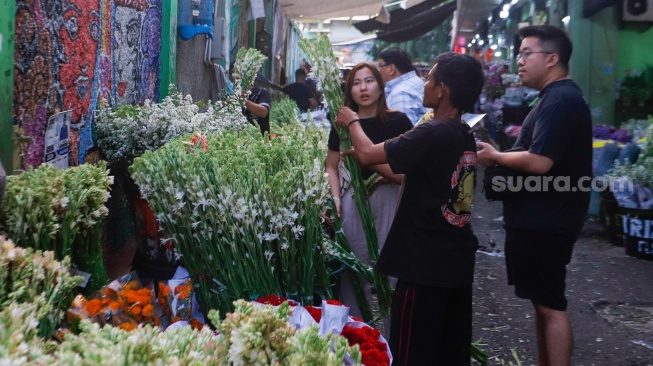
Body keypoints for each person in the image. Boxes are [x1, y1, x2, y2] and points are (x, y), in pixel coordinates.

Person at [335, 52, 484, 365]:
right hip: (455, 261)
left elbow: (365, 154)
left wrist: (351, 121)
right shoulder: (463, 133)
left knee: (411, 353)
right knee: (447, 351)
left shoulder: (431, 132)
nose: (424, 85)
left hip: (425, 264)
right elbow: (457, 195)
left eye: (429, 78)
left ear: (442, 90)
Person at [477, 25, 592, 366]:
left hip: (548, 220)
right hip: (540, 218)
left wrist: (495, 157)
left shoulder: (560, 100)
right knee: (543, 304)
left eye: (528, 53)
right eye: (520, 54)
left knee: (551, 306)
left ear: (553, 58)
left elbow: (540, 163)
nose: (520, 62)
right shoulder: (553, 98)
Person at [325, 62, 413, 322]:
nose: (363, 88)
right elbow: (331, 166)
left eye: (369, 81)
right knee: (354, 272)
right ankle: (356, 339)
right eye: (356, 82)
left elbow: (410, 170)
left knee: (395, 272)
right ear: (349, 90)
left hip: (390, 200)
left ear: (380, 85)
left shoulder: (399, 121)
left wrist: (385, 172)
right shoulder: (341, 124)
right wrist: (336, 199)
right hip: (354, 200)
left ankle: (395, 341)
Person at [377, 47, 427, 125]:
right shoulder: (417, 82)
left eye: (380, 66)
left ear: (391, 69)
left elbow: (405, 134)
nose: (378, 71)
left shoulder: (399, 95)